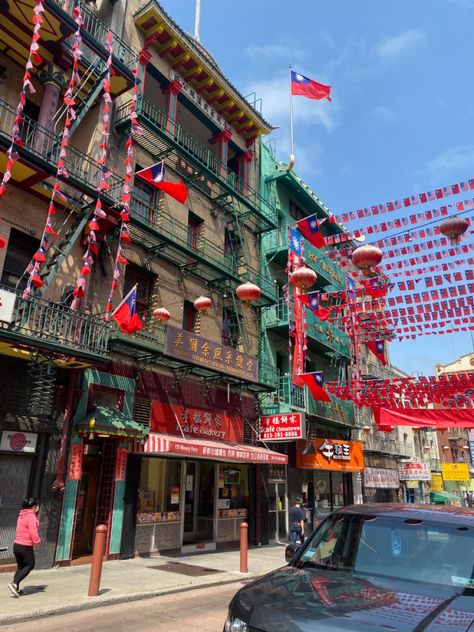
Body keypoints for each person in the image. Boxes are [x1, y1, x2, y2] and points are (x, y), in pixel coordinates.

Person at [8, 497, 41, 597]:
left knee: (21, 566)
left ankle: (15, 588)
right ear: (34, 507)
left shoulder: (21, 515)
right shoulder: (31, 516)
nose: (38, 508)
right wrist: (37, 541)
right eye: (37, 506)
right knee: (30, 564)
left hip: (17, 545)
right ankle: (14, 583)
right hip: (25, 546)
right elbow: (32, 531)